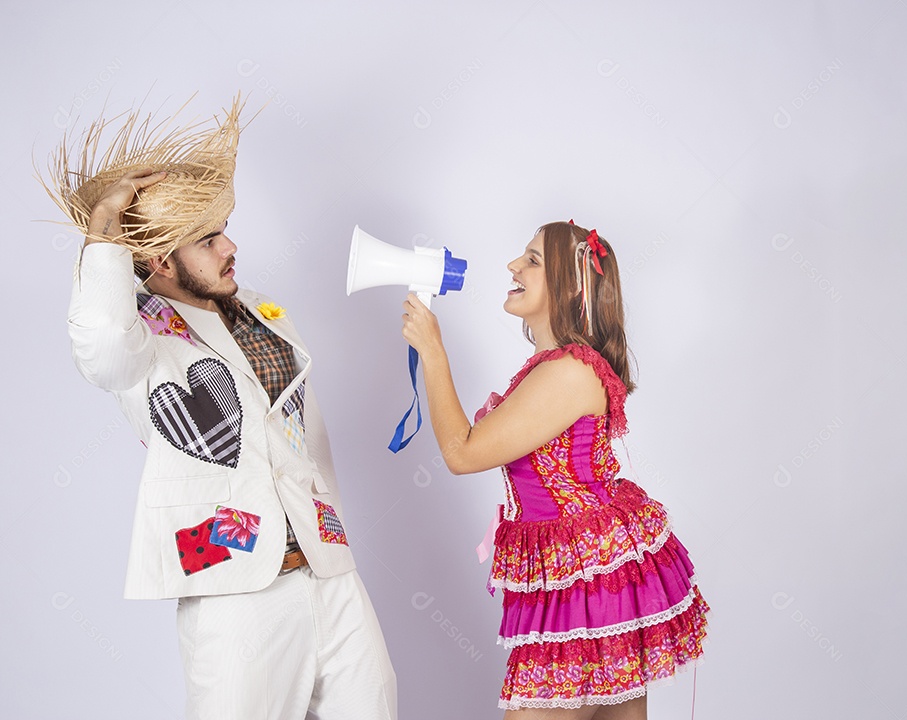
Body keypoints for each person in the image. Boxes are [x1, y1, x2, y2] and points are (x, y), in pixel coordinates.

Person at [44, 96, 396, 720]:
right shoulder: (140, 338)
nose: (231, 246)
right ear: (159, 262)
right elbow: (99, 350)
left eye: (224, 229)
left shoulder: (259, 309)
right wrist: (104, 229)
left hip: (325, 564)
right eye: (208, 240)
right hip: (234, 583)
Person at [401, 220, 709, 716]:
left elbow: (462, 452)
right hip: (589, 570)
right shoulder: (558, 366)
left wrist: (434, 352)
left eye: (533, 260)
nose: (513, 266)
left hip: (587, 578)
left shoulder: (569, 371)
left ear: (568, 286)